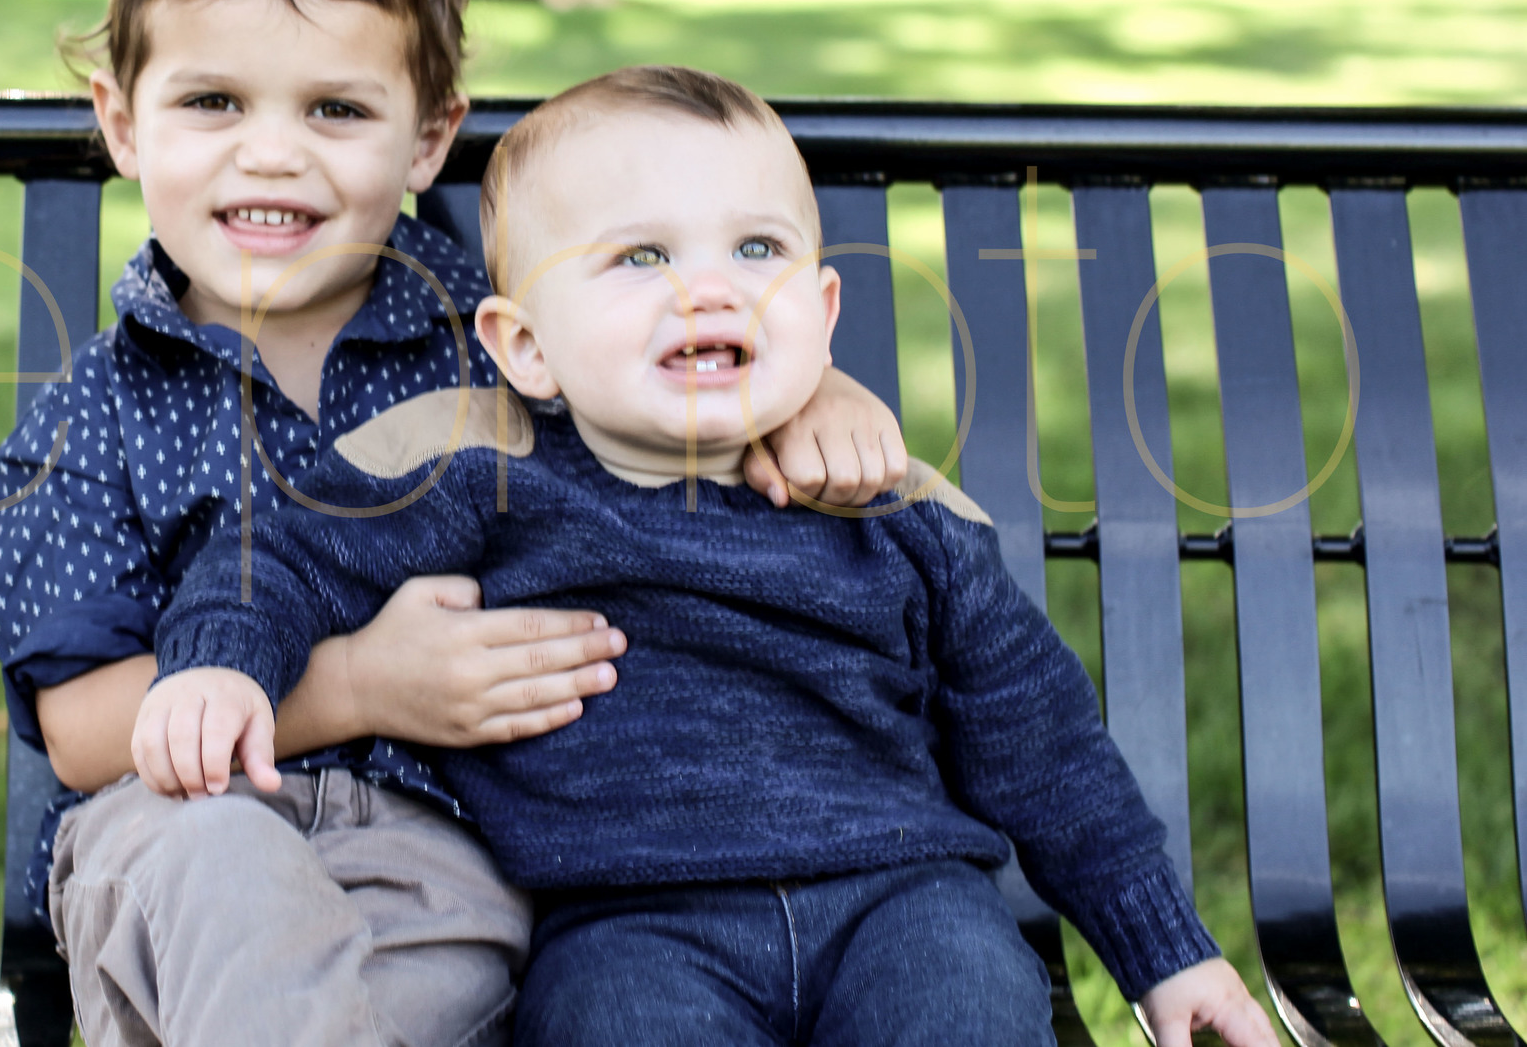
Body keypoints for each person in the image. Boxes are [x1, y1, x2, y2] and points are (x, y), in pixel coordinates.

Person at [0, 0, 916, 1047]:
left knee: (394, 1001)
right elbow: (84, 728)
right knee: (227, 889)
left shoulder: (505, 346)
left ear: (427, 137)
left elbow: (675, 370)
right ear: (121, 120)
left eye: (336, 108)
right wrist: (362, 683)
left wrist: (811, 392)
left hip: (440, 849)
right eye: (212, 101)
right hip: (177, 822)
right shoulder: (88, 417)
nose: (272, 151)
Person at [135, 65, 1280, 1047]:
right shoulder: (483, 471)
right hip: (628, 916)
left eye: (756, 247)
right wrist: (223, 661)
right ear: (524, 345)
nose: (711, 284)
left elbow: (1045, 743)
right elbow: (277, 553)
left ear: (821, 312)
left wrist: (1162, 951)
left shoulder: (894, 508)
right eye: (639, 256)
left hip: (901, 894)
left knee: (971, 1001)